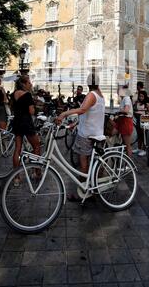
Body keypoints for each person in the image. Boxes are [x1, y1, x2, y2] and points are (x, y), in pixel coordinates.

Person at [56, 73, 105, 201]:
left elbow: (83, 110)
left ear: (88, 83)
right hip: (97, 133)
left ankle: (82, 192)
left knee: (83, 164)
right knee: (92, 163)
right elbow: (89, 113)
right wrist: (75, 123)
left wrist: (64, 114)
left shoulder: (91, 95)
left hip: (87, 134)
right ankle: (92, 188)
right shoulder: (100, 95)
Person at [11, 75, 41, 184]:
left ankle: (16, 178)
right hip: (26, 122)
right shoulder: (27, 95)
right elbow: (31, 112)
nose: (31, 84)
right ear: (24, 84)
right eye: (29, 83)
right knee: (36, 145)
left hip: (17, 122)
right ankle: (36, 171)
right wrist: (35, 107)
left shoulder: (14, 94)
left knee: (17, 149)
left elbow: (13, 107)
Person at [116, 85, 134, 158]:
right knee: (125, 144)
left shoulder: (126, 98)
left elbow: (126, 110)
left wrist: (118, 112)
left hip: (126, 122)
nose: (118, 92)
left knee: (128, 145)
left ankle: (129, 165)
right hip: (123, 121)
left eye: (119, 90)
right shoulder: (124, 99)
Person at [133, 91, 149, 156]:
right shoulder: (137, 102)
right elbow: (134, 109)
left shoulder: (146, 103)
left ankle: (144, 150)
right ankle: (139, 148)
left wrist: (148, 107)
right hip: (138, 119)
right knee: (139, 135)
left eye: (142, 96)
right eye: (140, 96)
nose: (141, 97)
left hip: (144, 119)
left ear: (145, 97)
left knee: (144, 135)